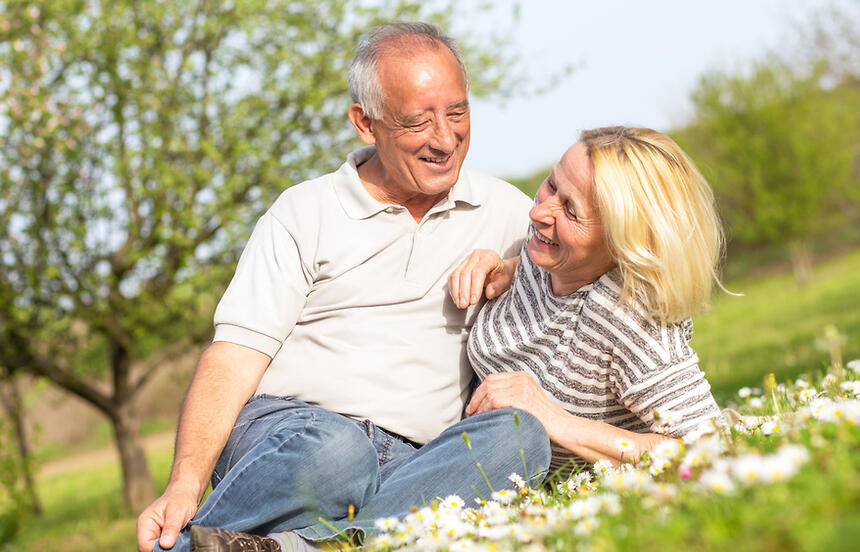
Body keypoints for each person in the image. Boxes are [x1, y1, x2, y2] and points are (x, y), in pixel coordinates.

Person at [137, 22, 551, 552]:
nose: (445, 139)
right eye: (418, 121)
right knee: (341, 452)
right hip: (298, 435)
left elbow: (588, 271)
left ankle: (301, 546)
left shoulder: (507, 212)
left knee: (519, 437)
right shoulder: (302, 211)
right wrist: (183, 485)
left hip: (416, 457)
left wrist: (516, 267)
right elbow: (234, 357)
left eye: (457, 112)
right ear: (365, 123)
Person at [449, 126, 723, 473]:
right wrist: (504, 266)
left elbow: (710, 449)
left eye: (571, 210)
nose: (539, 213)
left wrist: (554, 419)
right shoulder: (544, 260)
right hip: (454, 450)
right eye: (551, 184)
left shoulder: (631, 320)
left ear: (622, 240)